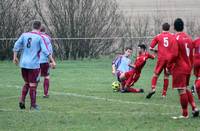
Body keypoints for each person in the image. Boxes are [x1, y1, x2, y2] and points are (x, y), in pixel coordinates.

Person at [13, 21, 56, 110]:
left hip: (23, 63)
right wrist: (52, 61)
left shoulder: (24, 35)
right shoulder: (40, 37)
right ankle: (33, 105)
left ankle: (22, 100)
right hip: (33, 64)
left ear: (32, 26)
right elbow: (45, 50)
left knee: (27, 83)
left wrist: (15, 57)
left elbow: (16, 45)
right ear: (40, 28)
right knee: (33, 85)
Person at [171, 18, 199, 119]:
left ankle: (185, 114)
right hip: (188, 67)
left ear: (174, 27)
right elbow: (192, 55)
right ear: (183, 26)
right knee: (185, 88)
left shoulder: (175, 38)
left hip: (179, 67)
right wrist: (191, 67)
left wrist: (169, 66)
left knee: (181, 90)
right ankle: (194, 108)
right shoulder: (188, 38)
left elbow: (174, 54)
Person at [146, 23, 178, 99]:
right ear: (169, 28)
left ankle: (153, 89)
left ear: (162, 28)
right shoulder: (173, 36)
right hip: (170, 59)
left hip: (161, 58)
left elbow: (150, 47)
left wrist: (156, 50)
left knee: (155, 75)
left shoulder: (158, 36)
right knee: (166, 76)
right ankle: (163, 95)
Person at [39, 25, 53, 98]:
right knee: (46, 76)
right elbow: (49, 50)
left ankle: (32, 93)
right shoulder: (47, 38)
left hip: (35, 61)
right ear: (45, 30)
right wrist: (51, 61)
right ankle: (45, 94)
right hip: (44, 60)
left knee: (34, 77)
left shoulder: (35, 36)